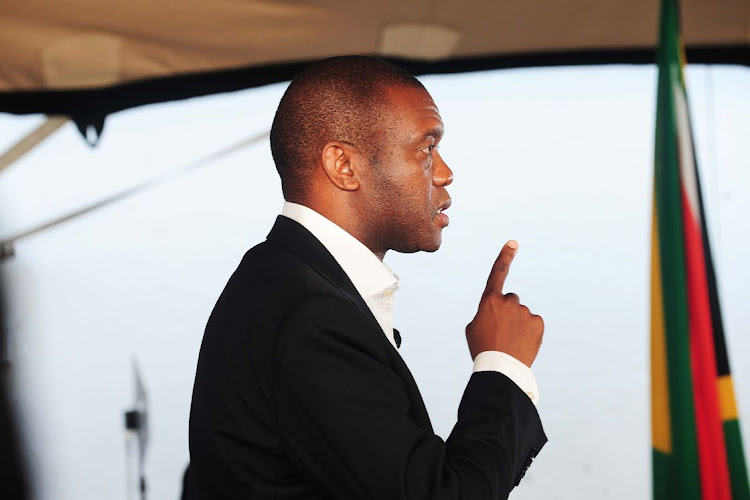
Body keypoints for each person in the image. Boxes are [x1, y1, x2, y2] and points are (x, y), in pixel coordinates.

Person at [186, 55, 546, 500]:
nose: (445, 172)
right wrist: (502, 365)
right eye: (426, 149)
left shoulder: (278, 278)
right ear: (343, 165)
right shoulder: (310, 316)